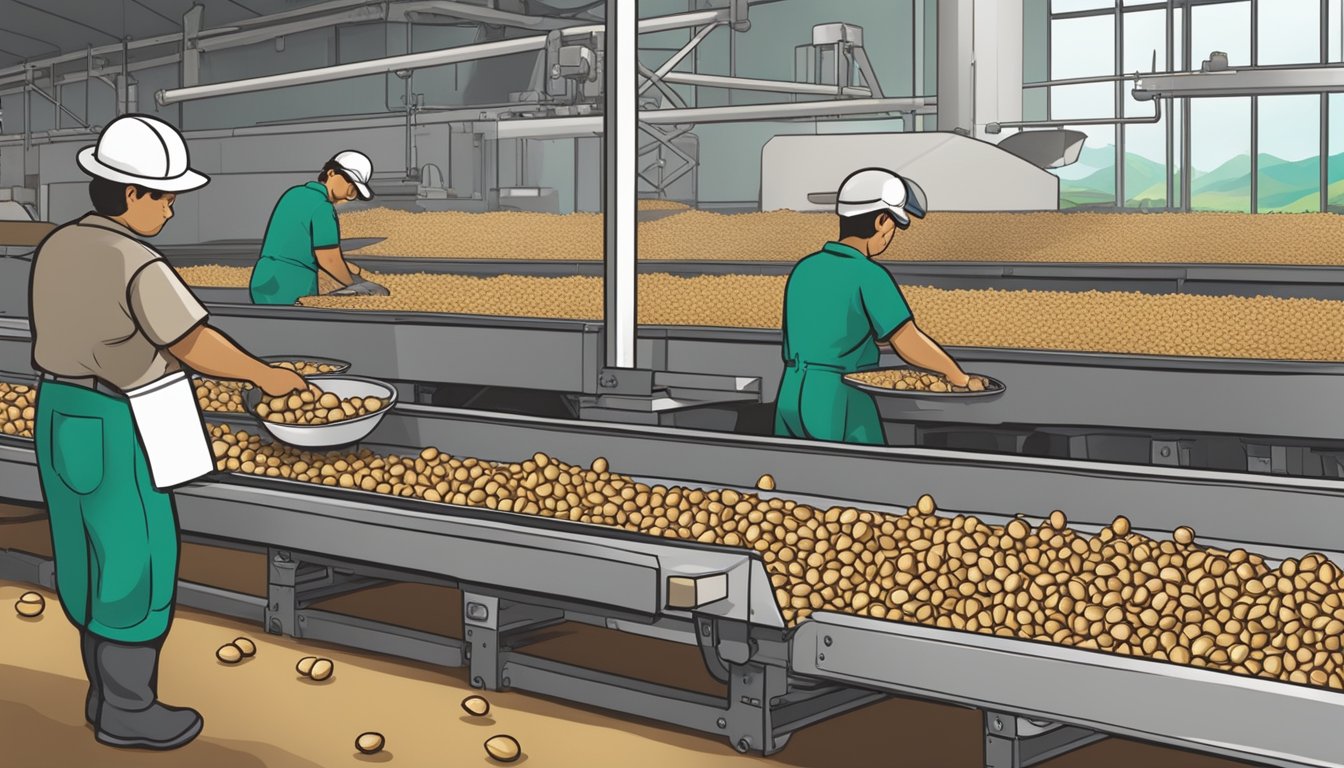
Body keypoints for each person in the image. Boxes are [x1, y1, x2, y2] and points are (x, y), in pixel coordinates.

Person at [28, 114, 307, 750]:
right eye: (165, 195)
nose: (173, 209)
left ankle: (102, 697)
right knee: (137, 557)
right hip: (121, 417)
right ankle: (130, 710)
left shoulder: (60, 244)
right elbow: (191, 340)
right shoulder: (135, 259)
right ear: (131, 193)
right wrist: (268, 377)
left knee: (86, 552)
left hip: (61, 412)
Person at [774, 167, 970, 446]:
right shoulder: (869, 275)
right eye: (894, 226)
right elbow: (907, 340)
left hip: (791, 394)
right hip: (839, 397)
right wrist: (955, 374)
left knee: (793, 479)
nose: (890, 237)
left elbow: (825, 333)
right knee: (859, 478)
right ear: (881, 220)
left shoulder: (805, 268)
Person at [249, 150, 388, 304]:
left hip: (263, 278)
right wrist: (356, 285)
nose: (349, 196)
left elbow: (295, 247)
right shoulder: (322, 207)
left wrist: (349, 269)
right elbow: (328, 259)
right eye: (351, 187)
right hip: (291, 285)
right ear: (331, 173)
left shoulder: (294, 193)